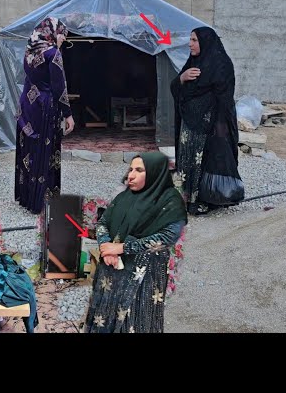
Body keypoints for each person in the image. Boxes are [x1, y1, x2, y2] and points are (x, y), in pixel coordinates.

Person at [84, 152, 187, 333]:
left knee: (136, 319)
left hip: (145, 272)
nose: (130, 175)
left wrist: (122, 247)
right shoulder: (124, 197)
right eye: (130, 169)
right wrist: (106, 247)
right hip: (111, 267)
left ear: (156, 173)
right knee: (105, 315)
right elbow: (103, 223)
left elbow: (168, 236)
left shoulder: (170, 201)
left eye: (139, 170)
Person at [170, 26, 245, 215]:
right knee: (186, 161)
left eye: (194, 40)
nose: (190, 44)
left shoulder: (221, 64)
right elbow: (176, 89)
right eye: (190, 40)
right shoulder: (193, 62)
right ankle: (185, 200)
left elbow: (224, 98)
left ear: (205, 41)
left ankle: (205, 200)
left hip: (209, 125)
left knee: (205, 162)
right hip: (189, 125)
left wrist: (218, 126)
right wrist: (181, 79)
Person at [15, 17, 75, 214]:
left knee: (28, 150)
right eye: (62, 35)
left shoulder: (28, 53)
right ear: (53, 32)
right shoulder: (53, 53)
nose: (63, 39)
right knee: (44, 152)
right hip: (45, 108)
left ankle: (27, 197)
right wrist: (68, 114)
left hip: (27, 106)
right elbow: (59, 87)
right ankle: (41, 201)